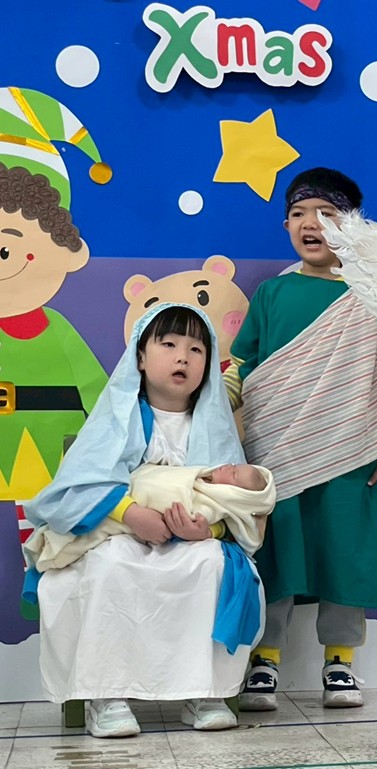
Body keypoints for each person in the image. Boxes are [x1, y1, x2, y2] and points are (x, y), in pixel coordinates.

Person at [23, 303, 262, 738]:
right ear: (140, 356)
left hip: (188, 541)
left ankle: (202, 692)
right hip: (119, 534)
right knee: (113, 562)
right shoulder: (117, 418)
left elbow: (240, 507)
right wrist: (131, 514)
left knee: (211, 562)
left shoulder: (215, 427)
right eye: (168, 344)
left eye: (196, 349)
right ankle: (107, 695)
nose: (182, 357)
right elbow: (72, 490)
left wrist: (205, 530)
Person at [231, 168, 377, 711]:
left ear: (353, 227)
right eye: (300, 214)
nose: (313, 224)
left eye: (328, 215)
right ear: (286, 225)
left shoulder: (374, 300)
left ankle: (341, 663)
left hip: (353, 450)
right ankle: (265, 661)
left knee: (347, 553)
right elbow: (243, 365)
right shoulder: (272, 293)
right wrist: (212, 403)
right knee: (276, 552)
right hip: (276, 451)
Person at [24, 461, 274, 572]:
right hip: (119, 500)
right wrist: (128, 511)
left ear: (235, 495)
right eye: (234, 465)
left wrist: (209, 532)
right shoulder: (125, 411)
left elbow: (219, 518)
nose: (229, 466)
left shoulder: (212, 501)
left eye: (234, 474)